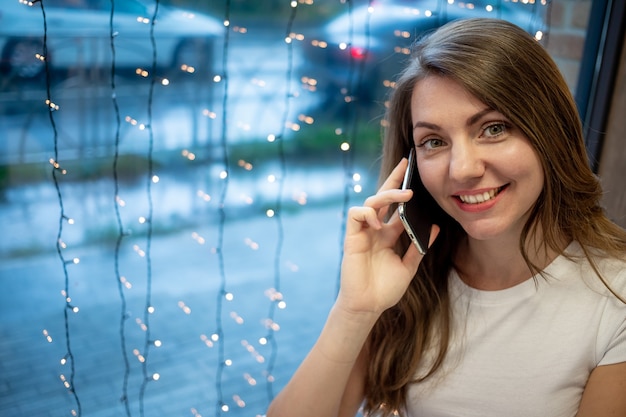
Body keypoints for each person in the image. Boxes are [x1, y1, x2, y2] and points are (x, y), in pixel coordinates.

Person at [266, 17, 626, 417]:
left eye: (493, 128)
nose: (463, 169)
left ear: (550, 132)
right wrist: (355, 311)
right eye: (434, 141)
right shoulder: (408, 278)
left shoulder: (615, 297)